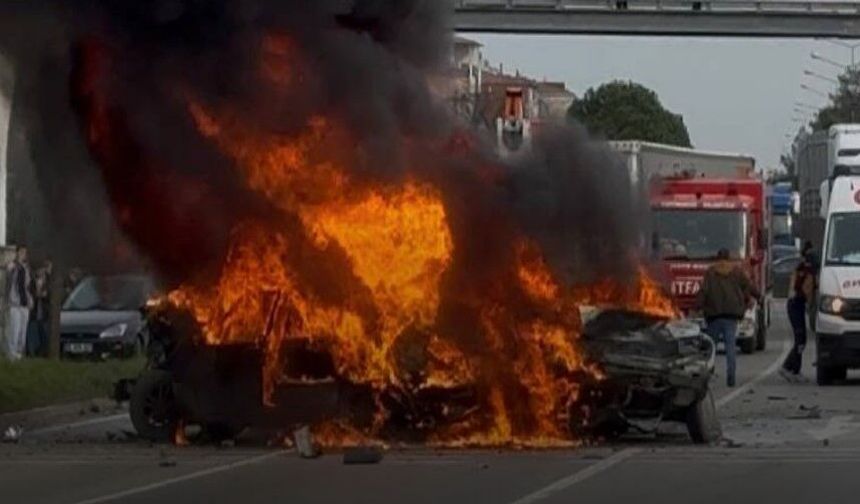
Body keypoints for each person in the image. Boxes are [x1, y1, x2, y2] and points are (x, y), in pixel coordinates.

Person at [697, 248, 761, 387]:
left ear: (717, 258)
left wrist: (697, 306)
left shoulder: (710, 272)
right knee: (730, 348)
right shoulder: (737, 271)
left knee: (710, 348)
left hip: (713, 315)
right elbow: (749, 286)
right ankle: (731, 377)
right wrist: (759, 296)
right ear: (729, 257)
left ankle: (707, 375)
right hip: (731, 316)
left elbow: (703, 291)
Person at [779, 254, 816, 381]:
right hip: (796, 305)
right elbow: (807, 290)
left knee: (800, 340)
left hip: (793, 304)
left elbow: (793, 286)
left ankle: (796, 370)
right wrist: (811, 304)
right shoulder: (809, 273)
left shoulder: (800, 269)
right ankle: (786, 367)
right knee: (800, 340)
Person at [5, 246, 33, 361]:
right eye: (21, 252)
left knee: (22, 330)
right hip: (15, 303)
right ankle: (12, 354)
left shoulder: (26, 268)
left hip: (24, 303)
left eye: (24, 253)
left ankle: (19, 353)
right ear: (17, 253)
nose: (23, 255)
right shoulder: (13, 266)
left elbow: (27, 286)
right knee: (14, 330)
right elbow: (9, 276)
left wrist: (30, 299)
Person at [26, 260, 52, 357]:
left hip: (44, 312)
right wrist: (37, 293)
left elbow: (50, 294)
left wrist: (45, 294)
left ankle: (44, 352)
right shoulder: (32, 282)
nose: (40, 272)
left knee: (44, 334)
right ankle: (32, 352)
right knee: (33, 333)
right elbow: (31, 293)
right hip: (34, 312)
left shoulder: (49, 281)